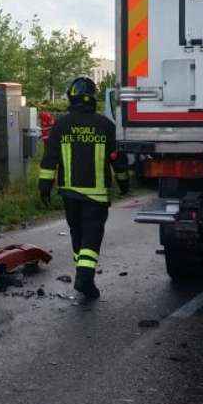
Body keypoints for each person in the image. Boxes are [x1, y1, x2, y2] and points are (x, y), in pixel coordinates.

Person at [37, 76, 130, 300]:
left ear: (72, 96)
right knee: (91, 236)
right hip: (96, 197)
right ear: (92, 98)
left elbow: (50, 158)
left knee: (77, 233)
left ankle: (82, 273)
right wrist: (124, 183)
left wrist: (44, 187)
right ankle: (85, 278)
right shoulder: (106, 126)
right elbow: (118, 159)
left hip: (70, 194)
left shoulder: (61, 124)